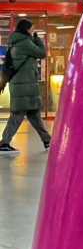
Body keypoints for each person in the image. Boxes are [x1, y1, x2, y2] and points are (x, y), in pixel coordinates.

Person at [0, 18, 51, 154]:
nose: (33, 32)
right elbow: (42, 53)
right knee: (18, 115)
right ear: (26, 29)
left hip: (22, 84)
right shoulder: (24, 42)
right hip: (25, 86)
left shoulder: (15, 42)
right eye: (32, 29)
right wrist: (38, 39)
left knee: (34, 114)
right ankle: (4, 143)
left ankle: (47, 140)